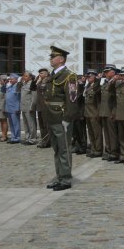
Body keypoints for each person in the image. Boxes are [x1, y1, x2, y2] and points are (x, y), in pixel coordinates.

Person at [44, 46, 78, 191]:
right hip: (51, 116)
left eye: (53, 57)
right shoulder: (53, 75)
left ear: (61, 59)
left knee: (64, 148)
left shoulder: (69, 76)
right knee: (56, 148)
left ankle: (65, 179)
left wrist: (67, 118)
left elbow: (72, 98)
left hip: (61, 117)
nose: (50, 59)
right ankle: (59, 176)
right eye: (51, 57)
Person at [99, 64, 119, 161]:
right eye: (106, 72)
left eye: (108, 72)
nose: (106, 74)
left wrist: (114, 112)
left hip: (111, 111)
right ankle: (108, 150)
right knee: (106, 133)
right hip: (104, 111)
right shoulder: (105, 82)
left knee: (112, 134)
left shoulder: (115, 83)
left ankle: (114, 152)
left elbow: (116, 100)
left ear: (113, 72)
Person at [83, 69, 103, 158]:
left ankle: (98, 150)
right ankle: (93, 148)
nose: (88, 78)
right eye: (87, 76)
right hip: (87, 112)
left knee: (97, 133)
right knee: (91, 133)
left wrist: (98, 113)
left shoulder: (96, 86)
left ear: (94, 76)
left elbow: (98, 99)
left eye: (90, 76)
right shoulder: (87, 86)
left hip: (95, 113)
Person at [20, 71, 37, 145]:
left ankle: (32, 139)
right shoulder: (24, 84)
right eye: (24, 76)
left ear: (30, 77)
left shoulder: (32, 84)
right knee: (25, 123)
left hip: (29, 107)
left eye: (26, 76)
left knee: (31, 124)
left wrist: (32, 107)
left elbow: (34, 97)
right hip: (23, 106)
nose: (24, 77)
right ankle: (27, 137)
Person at [35, 68, 51, 148]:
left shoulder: (49, 81)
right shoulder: (39, 81)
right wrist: (36, 80)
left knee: (46, 124)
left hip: (46, 106)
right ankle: (43, 139)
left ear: (46, 74)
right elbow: (32, 88)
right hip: (39, 106)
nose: (39, 75)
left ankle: (47, 141)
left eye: (41, 73)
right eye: (39, 73)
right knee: (41, 124)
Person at [4, 74, 21, 144]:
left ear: (16, 80)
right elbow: (3, 91)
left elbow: (19, 98)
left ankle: (17, 138)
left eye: (12, 79)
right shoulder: (9, 86)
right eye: (10, 79)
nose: (10, 80)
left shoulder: (17, 86)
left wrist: (18, 107)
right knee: (11, 123)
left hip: (15, 108)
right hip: (9, 107)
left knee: (16, 123)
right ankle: (13, 137)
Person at [0, 75, 9, 142]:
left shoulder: (5, 87)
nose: (0, 80)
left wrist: (4, 108)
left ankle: (4, 136)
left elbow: (5, 98)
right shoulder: (0, 86)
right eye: (0, 79)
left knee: (4, 121)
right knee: (1, 121)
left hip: (2, 107)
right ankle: (3, 135)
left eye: (1, 79)